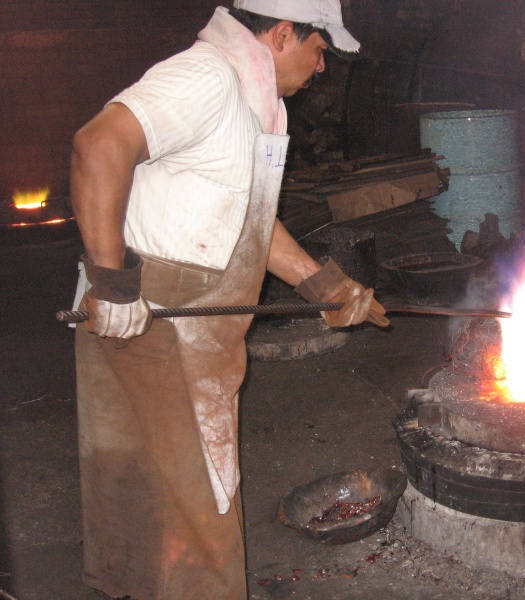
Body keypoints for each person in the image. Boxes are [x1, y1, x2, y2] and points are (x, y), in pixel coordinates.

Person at [69, 1, 388, 598]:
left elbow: (251, 223)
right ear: (284, 33)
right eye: (320, 51)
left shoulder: (258, 107)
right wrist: (111, 282)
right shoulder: (207, 77)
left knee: (159, 505)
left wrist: (324, 286)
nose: (322, 68)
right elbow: (98, 147)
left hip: (195, 334)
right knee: (195, 518)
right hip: (155, 324)